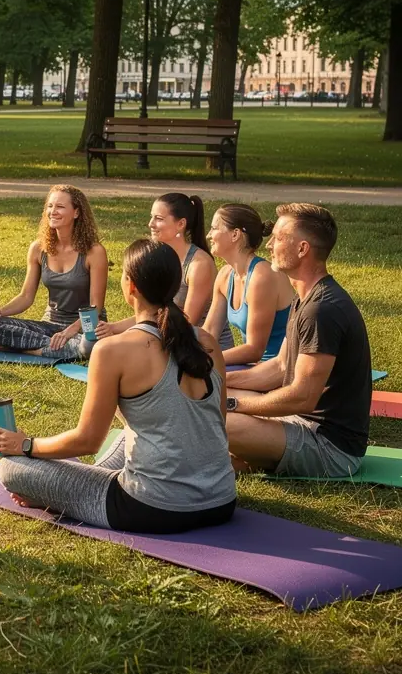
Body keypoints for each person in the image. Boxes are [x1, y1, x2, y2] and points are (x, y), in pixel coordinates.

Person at [0, 240, 235, 534]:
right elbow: (215, 422)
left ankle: (66, 490)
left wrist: (25, 445)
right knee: (123, 436)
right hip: (221, 501)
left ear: (130, 286)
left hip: (153, 507)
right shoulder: (207, 342)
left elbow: (87, 441)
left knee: (10, 468)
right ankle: (78, 483)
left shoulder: (112, 350)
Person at [225, 203, 371, 478]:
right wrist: (220, 380)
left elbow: (303, 396)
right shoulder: (304, 298)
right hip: (299, 424)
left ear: (302, 249)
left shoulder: (323, 309)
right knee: (207, 400)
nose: (269, 245)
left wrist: (232, 404)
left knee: (214, 419)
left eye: (279, 238)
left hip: (330, 448)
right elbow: (280, 367)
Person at [0, 185, 107, 360]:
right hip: (49, 325)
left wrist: (69, 332)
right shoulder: (38, 249)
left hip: (84, 327)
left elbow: (95, 309)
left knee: (89, 345)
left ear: (76, 212)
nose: (53, 211)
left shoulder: (94, 252)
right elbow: (26, 297)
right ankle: (54, 347)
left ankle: (28, 349)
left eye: (60, 207)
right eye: (50, 206)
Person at [94, 194, 232, 349]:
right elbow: (152, 313)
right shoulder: (158, 258)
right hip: (168, 339)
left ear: (180, 224)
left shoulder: (199, 264)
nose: (151, 224)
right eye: (151, 217)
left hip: (201, 348)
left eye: (159, 218)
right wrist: (113, 328)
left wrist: (131, 335)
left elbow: (186, 322)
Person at [204, 203, 294, 365]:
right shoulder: (225, 275)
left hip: (277, 369)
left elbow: (254, 350)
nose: (209, 235)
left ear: (235, 235)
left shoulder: (262, 276)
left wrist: (204, 360)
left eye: (214, 228)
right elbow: (210, 332)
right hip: (253, 367)